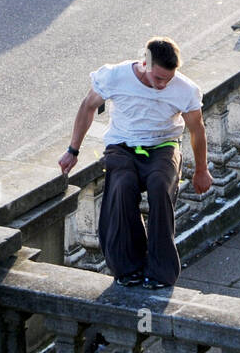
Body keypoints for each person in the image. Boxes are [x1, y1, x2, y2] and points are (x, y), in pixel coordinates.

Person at [58, 37, 212, 289]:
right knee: (122, 185)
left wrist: (202, 170)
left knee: (160, 186)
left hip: (163, 146)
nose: (163, 84)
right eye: (159, 78)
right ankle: (128, 266)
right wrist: (72, 150)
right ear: (144, 64)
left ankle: (161, 271)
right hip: (122, 146)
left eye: (168, 79)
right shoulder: (115, 77)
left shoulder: (185, 89)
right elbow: (87, 107)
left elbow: (197, 129)